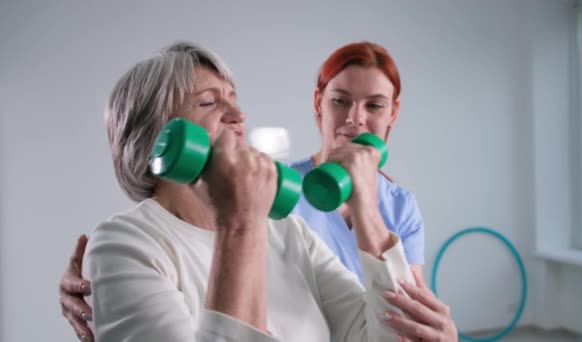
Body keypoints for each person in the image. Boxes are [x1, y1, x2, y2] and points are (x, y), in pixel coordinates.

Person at [60, 41, 458, 341]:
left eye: (234, 99)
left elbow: (385, 335)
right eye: (209, 102)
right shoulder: (124, 245)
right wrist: (242, 221)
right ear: (160, 139)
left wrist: (366, 205)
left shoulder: (287, 232)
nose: (238, 115)